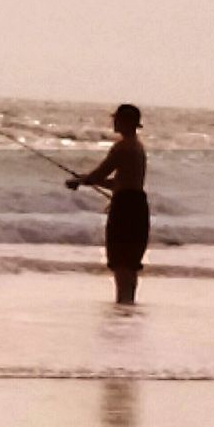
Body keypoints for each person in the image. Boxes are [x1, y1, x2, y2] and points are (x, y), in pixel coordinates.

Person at [67, 104, 149, 304]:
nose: (114, 122)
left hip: (124, 207)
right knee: (130, 262)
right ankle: (127, 304)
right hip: (137, 204)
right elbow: (120, 182)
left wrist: (81, 181)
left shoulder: (122, 147)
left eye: (117, 119)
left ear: (126, 122)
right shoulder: (138, 148)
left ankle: (123, 303)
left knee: (120, 261)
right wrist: (88, 180)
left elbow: (100, 174)